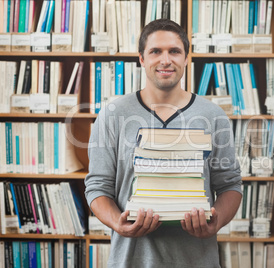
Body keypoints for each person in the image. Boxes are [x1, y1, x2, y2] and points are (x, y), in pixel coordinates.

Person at [85, 19, 242, 267]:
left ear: (186, 59)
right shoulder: (113, 114)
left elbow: (230, 185)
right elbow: (97, 186)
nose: (166, 60)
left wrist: (216, 222)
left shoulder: (213, 116)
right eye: (156, 51)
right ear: (141, 59)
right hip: (130, 260)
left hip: (197, 259)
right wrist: (118, 223)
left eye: (174, 51)